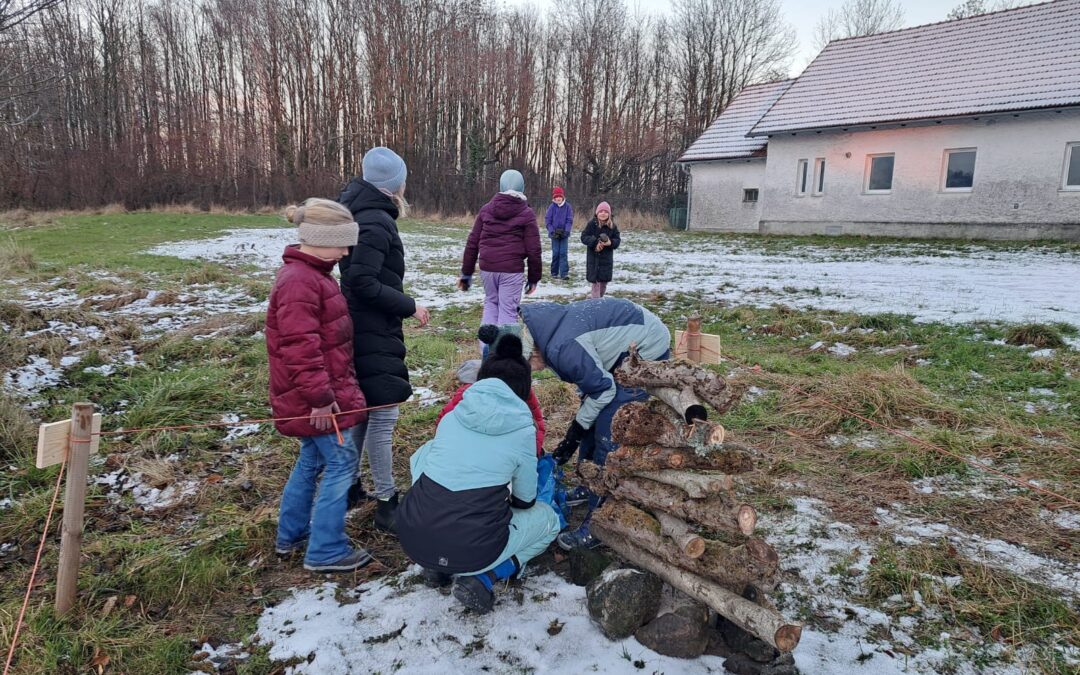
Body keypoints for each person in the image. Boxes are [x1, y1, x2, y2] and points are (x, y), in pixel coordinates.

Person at [396, 333, 561, 614]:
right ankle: (486, 577)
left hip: (413, 538)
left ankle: (435, 566)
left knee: (426, 451)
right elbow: (525, 501)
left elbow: (428, 462)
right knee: (550, 521)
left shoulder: (452, 416)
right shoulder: (522, 430)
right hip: (476, 549)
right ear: (524, 389)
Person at [267, 198, 372, 572]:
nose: (346, 251)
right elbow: (300, 348)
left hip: (319, 393)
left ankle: (292, 534)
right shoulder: (301, 282)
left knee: (311, 460)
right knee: (343, 463)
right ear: (318, 238)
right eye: (341, 242)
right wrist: (322, 399)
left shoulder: (313, 275)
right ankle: (326, 548)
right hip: (318, 398)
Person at [519, 298, 670, 550]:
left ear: (533, 352)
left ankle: (600, 521)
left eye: (529, 368)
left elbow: (603, 390)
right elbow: (589, 380)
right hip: (622, 348)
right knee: (589, 420)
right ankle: (588, 484)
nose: (534, 372)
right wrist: (579, 429)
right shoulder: (548, 332)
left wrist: (573, 434)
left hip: (646, 346)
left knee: (608, 431)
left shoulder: (561, 346)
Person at [337, 147, 431, 533]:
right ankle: (387, 501)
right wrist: (408, 305)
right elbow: (361, 281)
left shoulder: (362, 212)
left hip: (368, 325)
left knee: (367, 409)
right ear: (393, 185)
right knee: (384, 414)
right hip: (370, 328)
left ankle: (349, 485)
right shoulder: (375, 220)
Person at [458, 169, 542, 345]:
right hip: (511, 271)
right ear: (522, 188)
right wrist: (534, 279)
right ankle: (503, 358)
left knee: (491, 305)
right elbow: (534, 249)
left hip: (488, 268)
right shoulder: (526, 213)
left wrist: (466, 273)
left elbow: (472, 242)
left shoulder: (486, 209)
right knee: (508, 312)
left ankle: (486, 352)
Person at [438, 325, 546, 458]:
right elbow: (444, 421)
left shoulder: (526, 394)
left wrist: (534, 450)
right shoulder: (470, 393)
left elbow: (538, 423)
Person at [581, 201, 620, 298]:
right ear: (597, 213)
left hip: (606, 261)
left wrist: (610, 242)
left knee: (603, 284)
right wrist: (595, 243)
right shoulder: (591, 224)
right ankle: (595, 304)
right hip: (594, 260)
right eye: (601, 211)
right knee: (596, 284)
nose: (603, 213)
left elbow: (617, 240)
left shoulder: (613, 227)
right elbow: (584, 237)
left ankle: (597, 299)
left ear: (609, 214)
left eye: (605, 212)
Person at [544, 187, 573, 281]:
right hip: (554, 235)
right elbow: (548, 220)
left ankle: (564, 273)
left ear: (562, 197)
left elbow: (569, 220)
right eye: (556, 197)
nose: (558, 198)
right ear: (554, 198)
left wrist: (567, 231)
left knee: (563, 253)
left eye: (560, 196)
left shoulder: (568, 207)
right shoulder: (552, 207)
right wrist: (552, 231)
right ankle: (554, 272)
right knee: (556, 253)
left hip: (564, 234)